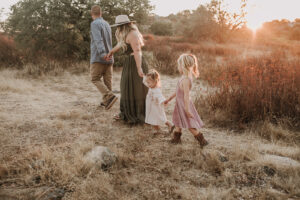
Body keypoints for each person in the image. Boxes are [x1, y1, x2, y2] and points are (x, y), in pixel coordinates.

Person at [106, 15, 148, 124]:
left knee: (137, 88)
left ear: (123, 25)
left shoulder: (133, 34)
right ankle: (126, 112)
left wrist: (139, 68)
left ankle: (136, 114)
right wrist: (111, 52)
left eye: (119, 26)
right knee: (126, 87)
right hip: (130, 63)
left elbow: (137, 51)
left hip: (136, 62)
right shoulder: (126, 34)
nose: (118, 28)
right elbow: (120, 44)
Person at [164, 54, 208, 147]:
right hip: (180, 105)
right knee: (177, 122)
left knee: (189, 125)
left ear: (183, 65)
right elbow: (178, 91)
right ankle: (176, 139)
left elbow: (186, 96)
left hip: (184, 105)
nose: (178, 67)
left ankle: (202, 140)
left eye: (179, 65)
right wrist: (169, 99)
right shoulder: (183, 78)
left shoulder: (186, 80)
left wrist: (187, 110)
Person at [90, 5, 118, 110]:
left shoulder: (94, 24)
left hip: (99, 57)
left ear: (92, 14)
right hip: (110, 57)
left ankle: (109, 97)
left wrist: (102, 54)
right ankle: (107, 102)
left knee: (95, 78)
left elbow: (98, 40)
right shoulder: (107, 24)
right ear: (101, 13)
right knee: (107, 81)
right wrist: (108, 54)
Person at [143, 69, 175, 133]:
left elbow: (160, 97)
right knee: (153, 120)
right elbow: (144, 82)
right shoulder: (151, 87)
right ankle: (158, 130)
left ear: (155, 82)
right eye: (147, 82)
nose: (148, 84)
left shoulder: (156, 90)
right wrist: (143, 76)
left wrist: (164, 101)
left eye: (149, 82)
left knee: (161, 118)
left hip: (156, 108)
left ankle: (170, 125)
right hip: (151, 108)